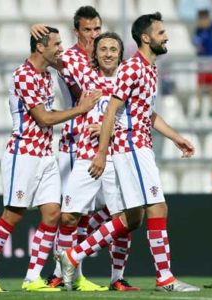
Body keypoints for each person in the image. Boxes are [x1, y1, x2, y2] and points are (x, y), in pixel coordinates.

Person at [58, 12, 200, 293]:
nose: (167, 36)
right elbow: (112, 108)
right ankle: (165, 278)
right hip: (132, 145)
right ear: (145, 38)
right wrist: (101, 152)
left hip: (136, 144)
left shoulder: (148, 68)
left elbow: (147, 113)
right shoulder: (133, 68)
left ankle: (73, 255)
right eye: (161, 33)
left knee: (132, 218)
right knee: (158, 207)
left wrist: (176, 138)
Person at [0, 26, 100, 293]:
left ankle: (32, 278)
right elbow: (43, 118)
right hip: (23, 154)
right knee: (13, 215)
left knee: (52, 214)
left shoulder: (46, 75)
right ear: (40, 47)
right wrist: (80, 109)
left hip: (44, 154)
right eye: (56, 44)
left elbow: (54, 103)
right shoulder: (24, 76)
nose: (60, 49)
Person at [31, 6, 135, 291]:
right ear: (76, 31)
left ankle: (115, 276)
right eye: (87, 30)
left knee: (119, 214)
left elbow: (136, 112)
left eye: (97, 30)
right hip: (75, 144)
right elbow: (44, 58)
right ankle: (61, 272)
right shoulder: (74, 61)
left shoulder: (120, 69)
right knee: (70, 214)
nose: (93, 36)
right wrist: (37, 34)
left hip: (113, 149)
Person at [59, 31, 140, 291]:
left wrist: (112, 128)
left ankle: (117, 278)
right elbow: (55, 59)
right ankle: (68, 275)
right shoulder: (87, 77)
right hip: (86, 156)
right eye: (102, 49)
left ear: (120, 54)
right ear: (95, 53)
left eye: (113, 49)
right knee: (69, 217)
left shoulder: (128, 80)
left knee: (122, 220)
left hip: (118, 158)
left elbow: (141, 117)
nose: (107, 53)